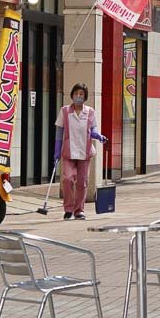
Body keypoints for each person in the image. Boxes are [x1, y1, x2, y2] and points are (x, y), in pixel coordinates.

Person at [53, 83, 107, 220]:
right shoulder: (64, 111)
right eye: (76, 94)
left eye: (81, 94)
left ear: (85, 97)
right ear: (72, 95)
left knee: (82, 182)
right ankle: (68, 209)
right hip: (68, 151)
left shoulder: (90, 111)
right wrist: (56, 151)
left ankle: (79, 210)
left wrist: (99, 136)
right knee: (67, 179)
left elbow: (93, 130)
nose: (78, 96)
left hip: (85, 151)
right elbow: (59, 132)